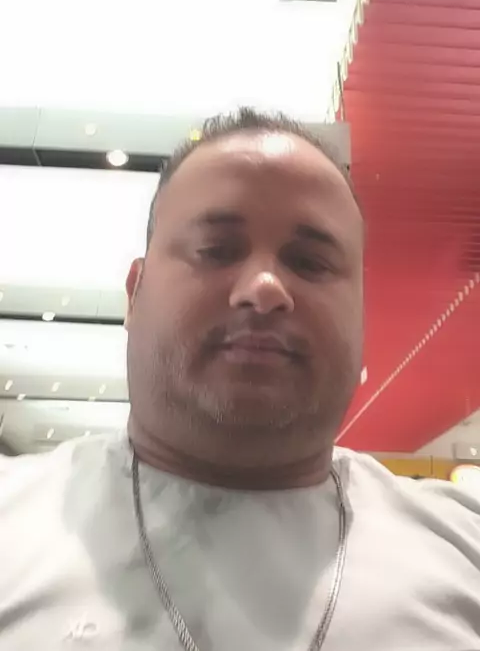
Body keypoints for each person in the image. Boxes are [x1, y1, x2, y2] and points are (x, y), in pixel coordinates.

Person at [0, 108, 479, 651]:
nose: (266, 287)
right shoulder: (14, 524)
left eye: (310, 262)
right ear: (134, 293)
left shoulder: (463, 551)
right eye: (217, 251)